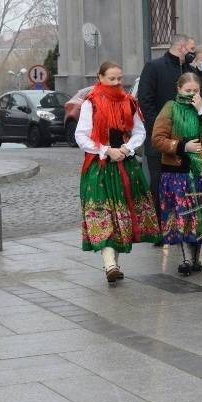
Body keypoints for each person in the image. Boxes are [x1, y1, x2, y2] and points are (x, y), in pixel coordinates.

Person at [76, 61, 161, 283]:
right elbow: (81, 136)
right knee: (103, 213)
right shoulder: (91, 103)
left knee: (121, 215)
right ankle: (110, 264)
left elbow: (139, 131)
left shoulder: (129, 102)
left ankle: (113, 261)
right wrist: (105, 150)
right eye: (111, 78)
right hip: (99, 166)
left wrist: (126, 148)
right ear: (100, 77)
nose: (116, 83)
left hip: (125, 165)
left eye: (119, 79)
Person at [152, 73, 202, 275]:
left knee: (199, 215)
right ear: (179, 89)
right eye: (188, 91)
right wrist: (182, 146)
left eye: (195, 91)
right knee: (180, 215)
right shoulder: (170, 108)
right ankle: (184, 258)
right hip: (176, 172)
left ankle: (195, 258)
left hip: (201, 171)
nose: (192, 94)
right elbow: (157, 139)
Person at [137, 33, 196, 223]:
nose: (192, 53)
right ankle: (160, 227)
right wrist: (160, 130)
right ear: (181, 48)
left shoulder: (189, 71)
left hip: (186, 140)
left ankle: (183, 222)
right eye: (191, 49)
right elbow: (145, 100)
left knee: (185, 183)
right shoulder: (154, 67)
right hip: (160, 139)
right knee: (159, 183)